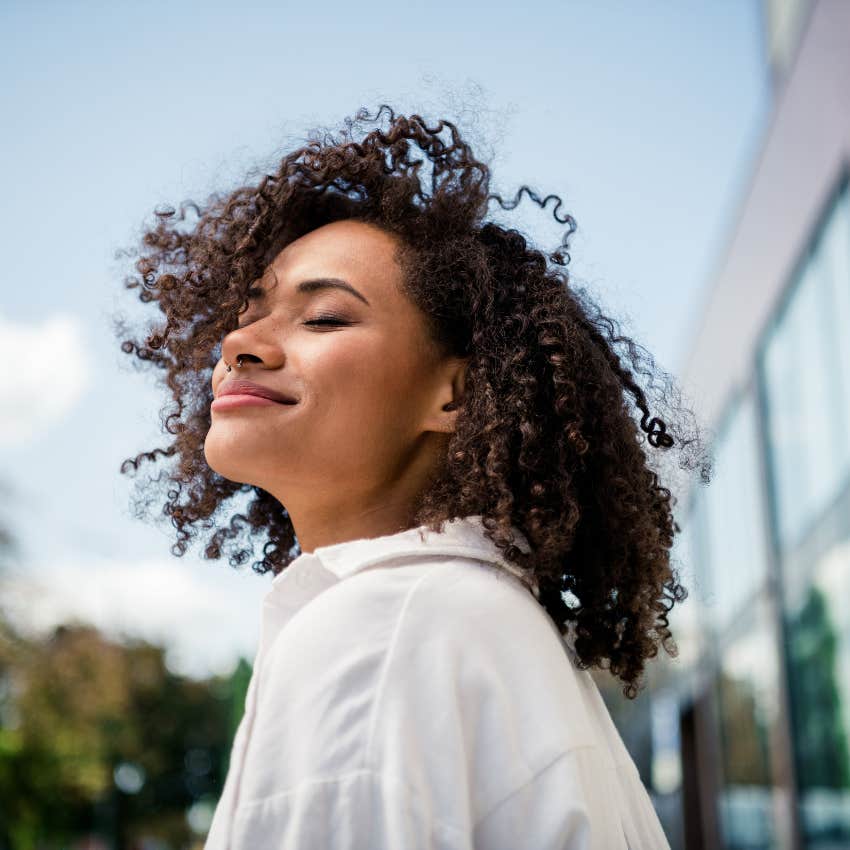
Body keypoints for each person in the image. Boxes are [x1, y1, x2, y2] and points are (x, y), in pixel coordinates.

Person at [116, 106, 710, 848]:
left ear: (454, 395)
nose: (240, 341)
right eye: (249, 313)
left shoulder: (377, 640)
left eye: (325, 317)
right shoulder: (482, 634)